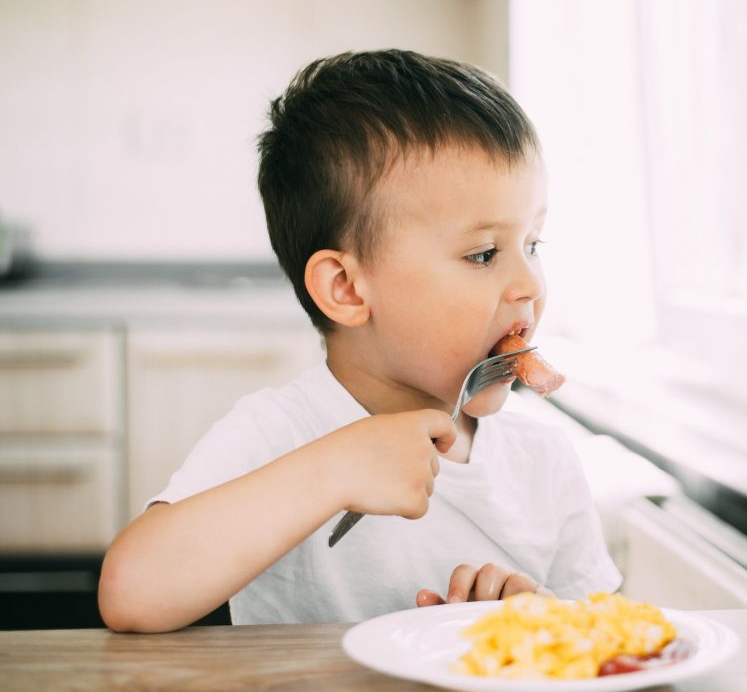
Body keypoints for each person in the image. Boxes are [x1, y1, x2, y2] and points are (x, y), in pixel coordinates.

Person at [98, 50, 621, 632]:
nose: (528, 284)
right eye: (483, 254)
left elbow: (599, 636)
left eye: (534, 244)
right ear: (346, 287)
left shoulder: (544, 460)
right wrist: (333, 469)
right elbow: (130, 593)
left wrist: (540, 623)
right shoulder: (280, 434)